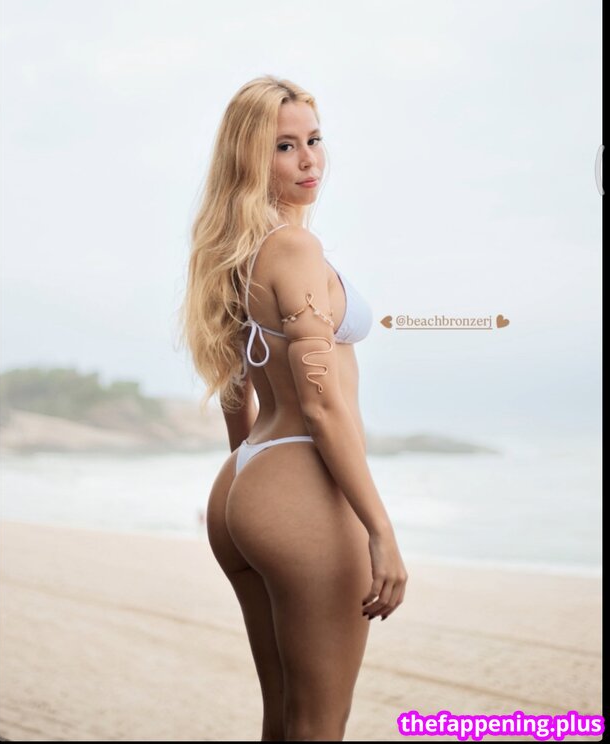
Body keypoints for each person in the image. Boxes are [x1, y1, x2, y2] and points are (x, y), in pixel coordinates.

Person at [179, 75, 408, 742]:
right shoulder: (294, 249)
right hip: (299, 476)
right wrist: (381, 530)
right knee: (318, 725)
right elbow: (322, 404)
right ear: (251, 158)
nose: (309, 159)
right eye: (285, 146)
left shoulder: (235, 252)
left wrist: (247, 485)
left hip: (249, 474)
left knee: (283, 719)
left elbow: (234, 379)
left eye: (314, 139)